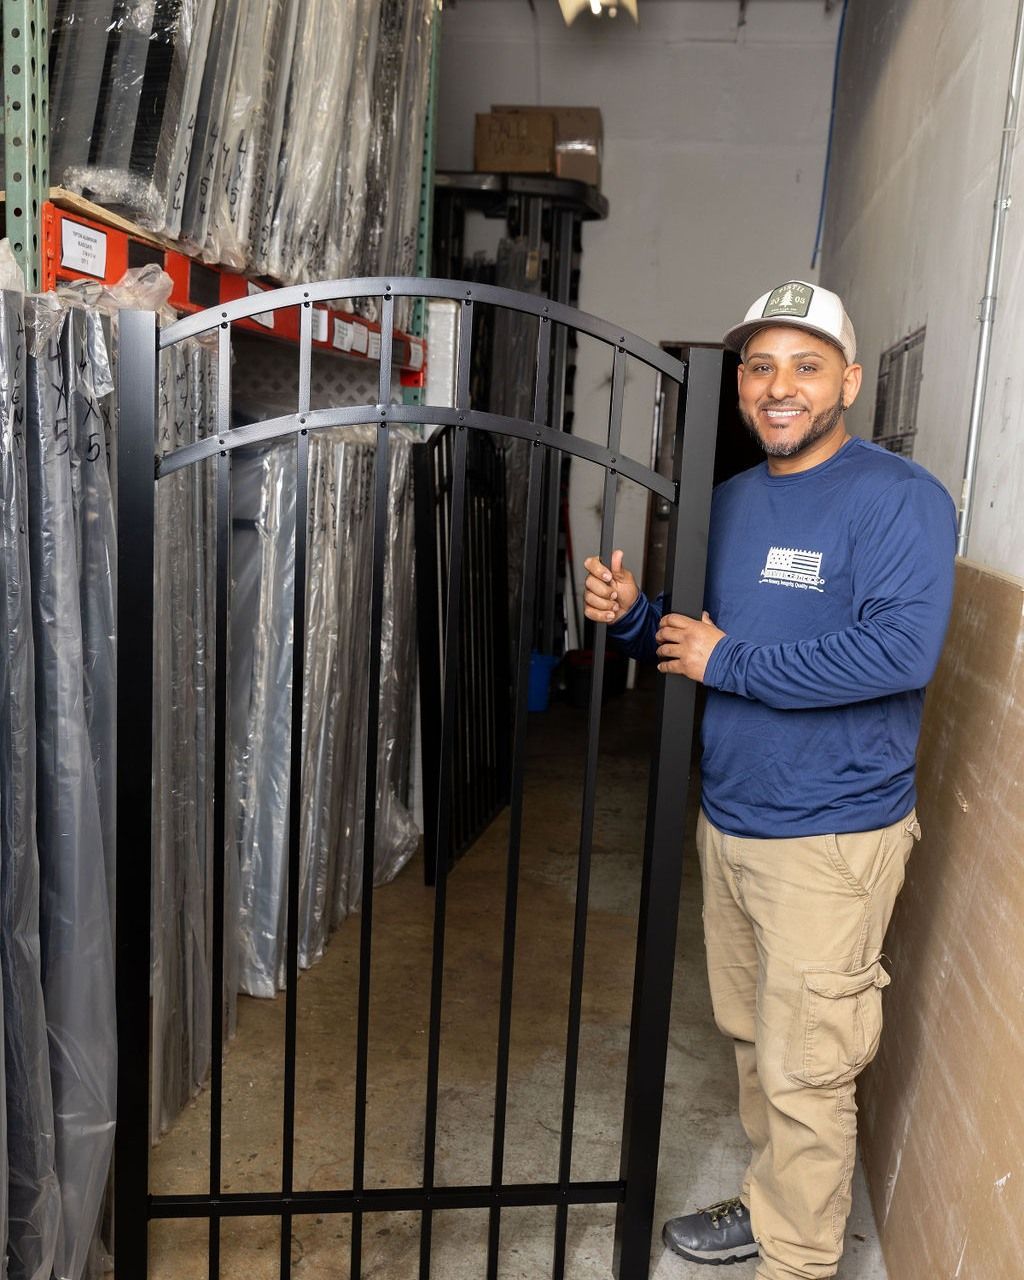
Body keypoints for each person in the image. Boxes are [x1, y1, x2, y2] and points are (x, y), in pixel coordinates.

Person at [583, 280, 956, 1279]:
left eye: (804, 364)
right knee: (754, 1041)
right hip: (733, 819)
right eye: (760, 365)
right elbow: (700, 637)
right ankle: (771, 1201)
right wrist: (631, 615)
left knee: (807, 1067)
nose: (778, 385)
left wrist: (725, 662)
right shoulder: (734, 501)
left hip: (829, 836)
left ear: (848, 379)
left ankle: (796, 1258)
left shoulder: (898, 498)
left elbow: (898, 654)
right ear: (740, 384)